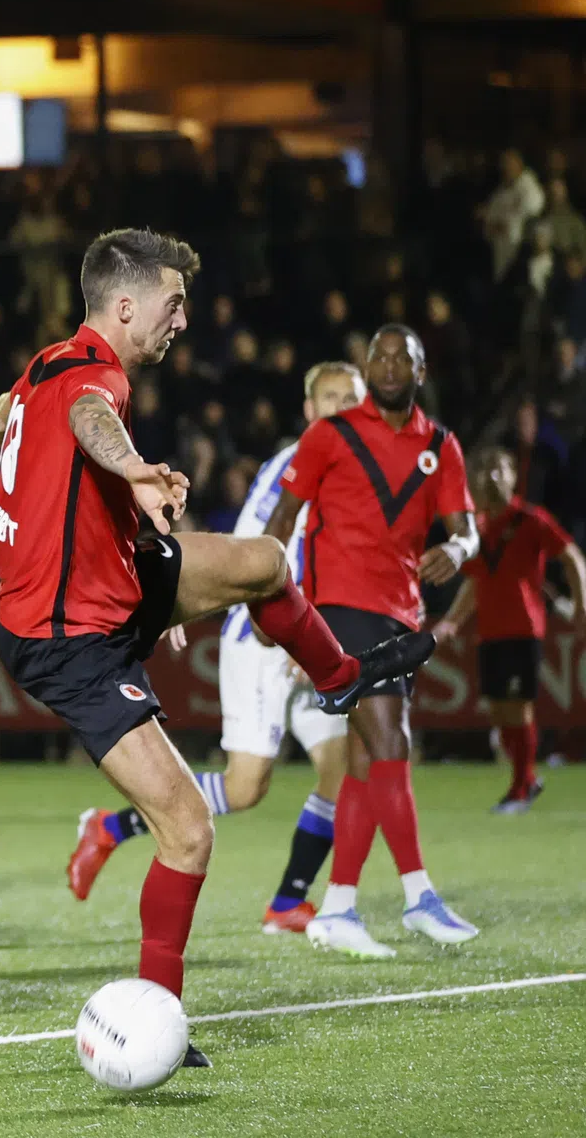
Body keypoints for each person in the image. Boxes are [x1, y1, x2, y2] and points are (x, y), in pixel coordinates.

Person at [0, 231, 434, 1064]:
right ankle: (159, 1017)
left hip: (108, 580)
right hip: (68, 635)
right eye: (173, 303)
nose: (183, 319)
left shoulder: (45, 362)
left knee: (263, 562)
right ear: (125, 307)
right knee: (189, 829)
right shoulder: (93, 379)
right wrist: (134, 470)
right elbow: (90, 421)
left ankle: (338, 677)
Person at [68, 361, 366, 934]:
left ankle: (287, 903)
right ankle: (110, 827)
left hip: (308, 638)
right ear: (309, 410)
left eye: (350, 400)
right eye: (329, 399)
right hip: (263, 638)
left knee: (341, 768)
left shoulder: (351, 467)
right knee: (244, 787)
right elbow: (255, 550)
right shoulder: (298, 464)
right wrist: (186, 595)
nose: (340, 410)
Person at [265, 324, 480, 958]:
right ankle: (418, 895)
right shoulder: (329, 434)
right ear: (367, 369)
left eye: (400, 358)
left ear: (420, 371)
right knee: (392, 741)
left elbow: (467, 531)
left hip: (402, 615)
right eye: (378, 357)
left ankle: (338, 908)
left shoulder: (440, 445)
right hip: (338, 607)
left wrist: (456, 550)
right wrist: (271, 602)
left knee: (363, 761)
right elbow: (282, 519)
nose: (388, 366)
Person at [432, 446, 586, 813]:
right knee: (500, 711)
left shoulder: (531, 519)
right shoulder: (477, 530)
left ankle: (521, 787)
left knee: (518, 708)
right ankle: (526, 780)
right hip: (490, 631)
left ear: (514, 476)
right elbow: (474, 582)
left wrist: (581, 605)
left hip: (523, 628)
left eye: (500, 468)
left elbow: (571, 556)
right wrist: (452, 620)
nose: (492, 476)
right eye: (485, 469)